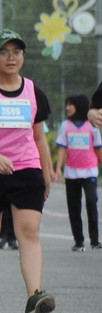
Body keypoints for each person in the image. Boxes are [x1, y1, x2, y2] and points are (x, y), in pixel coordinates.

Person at [0, 30, 55, 313]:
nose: (11, 57)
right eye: (4, 52)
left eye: (16, 52)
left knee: (29, 231)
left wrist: (46, 171)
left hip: (26, 169)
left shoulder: (34, 91)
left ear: (23, 57)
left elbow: (39, 137)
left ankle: (34, 296)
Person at [53, 93, 101, 251]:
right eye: (66, 105)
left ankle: (94, 240)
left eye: (70, 105)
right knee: (74, 207)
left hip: (89, 172)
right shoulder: (65, 126)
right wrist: (58, 168)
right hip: (71, 172)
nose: (67, 108)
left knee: (91, 201)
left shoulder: (92, 126)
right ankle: (79, 241)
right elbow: (62, 148)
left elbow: (98, 149)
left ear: (79, 106)